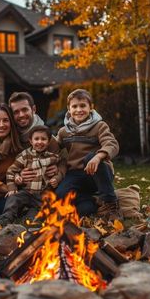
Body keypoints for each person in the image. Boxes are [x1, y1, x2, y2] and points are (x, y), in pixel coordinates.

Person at [56, 89, 122, 221]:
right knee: (63, 196)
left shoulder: (99, 126)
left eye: (83, 106)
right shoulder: (64, 131)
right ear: (69, 109)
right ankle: (92, 201)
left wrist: (98, 157)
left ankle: (110, 204)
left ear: (91, 107)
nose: (78, 110)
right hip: (76, 174)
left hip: (98, 173)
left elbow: (112, 144)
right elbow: (54, 147)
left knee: (90, 157)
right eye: (74, 106)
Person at [0, 125, 64, 227]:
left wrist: (57, 178)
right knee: (14, 198)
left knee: (43, 207)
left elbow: (62, 166)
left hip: (43, 194)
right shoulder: (25, 155)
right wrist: (13, 184)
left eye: (43, 139)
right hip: (27, 192)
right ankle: (6, 217)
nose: (39, 142)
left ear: (48, 141)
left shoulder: (52, 157)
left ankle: (30, 219)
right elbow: (11, 170)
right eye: (36, 139)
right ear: (31, 141)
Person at [8, 92, 63, 182]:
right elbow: (8, 167)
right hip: (21, 187)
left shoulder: (47, 137)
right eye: (16, 112)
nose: (21, 115)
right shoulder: (11, 138)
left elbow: (63, 159)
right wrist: (18, 174)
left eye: (25, 110)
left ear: (33, 109)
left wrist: (58, 170)